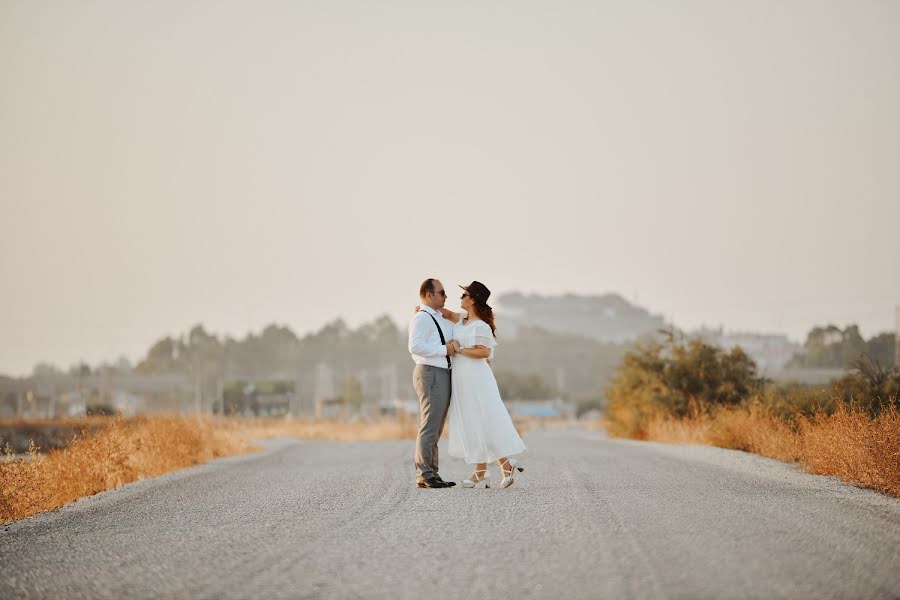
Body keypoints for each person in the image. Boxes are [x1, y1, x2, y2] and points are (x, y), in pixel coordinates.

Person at [436, 281, 526, 489]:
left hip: (476, 379)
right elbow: (445, 313)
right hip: (462, 379)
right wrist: (425, 307)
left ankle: (503, 465)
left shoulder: (481, 326)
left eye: (463, 295)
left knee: (483, 419)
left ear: (473, 299)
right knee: (472, 421)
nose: (460, 298)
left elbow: (483, 352)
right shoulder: (462, 321)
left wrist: (459, 350)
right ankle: (482, 471)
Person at [407, 278, 457, 488]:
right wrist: (443, 350)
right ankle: (424, 474)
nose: (446, 296)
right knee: (429, 424)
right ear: (429, 294)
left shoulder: (435, 317)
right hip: (430, 372)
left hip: (440, 373)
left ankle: (431, 473)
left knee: (435, 426)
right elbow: (415, 346)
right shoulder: (422, 318)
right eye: (442, 292)